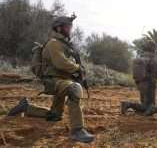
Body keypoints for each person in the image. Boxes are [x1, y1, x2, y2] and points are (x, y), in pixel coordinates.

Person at [7, 15, 94, 143]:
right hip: (53, 81)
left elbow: (64, 66)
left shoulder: (64, 45)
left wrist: (77, 73)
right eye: (67, 26)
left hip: (61, 81)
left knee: (54, 115)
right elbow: (61, 63)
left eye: (70, 26)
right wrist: (78, 68)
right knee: (75, 88)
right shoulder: (54, 44)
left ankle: (26, 107)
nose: (70, 29)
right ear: (58, 28)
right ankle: (77, 131)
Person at [121, 40, 157, 116]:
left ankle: (135, 107)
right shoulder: (155, 59)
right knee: (150, 106)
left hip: (140, 83)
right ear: (153, 48)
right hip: (151, 84)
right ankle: (128, 104)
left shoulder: (141, 57)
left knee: (145, 103)